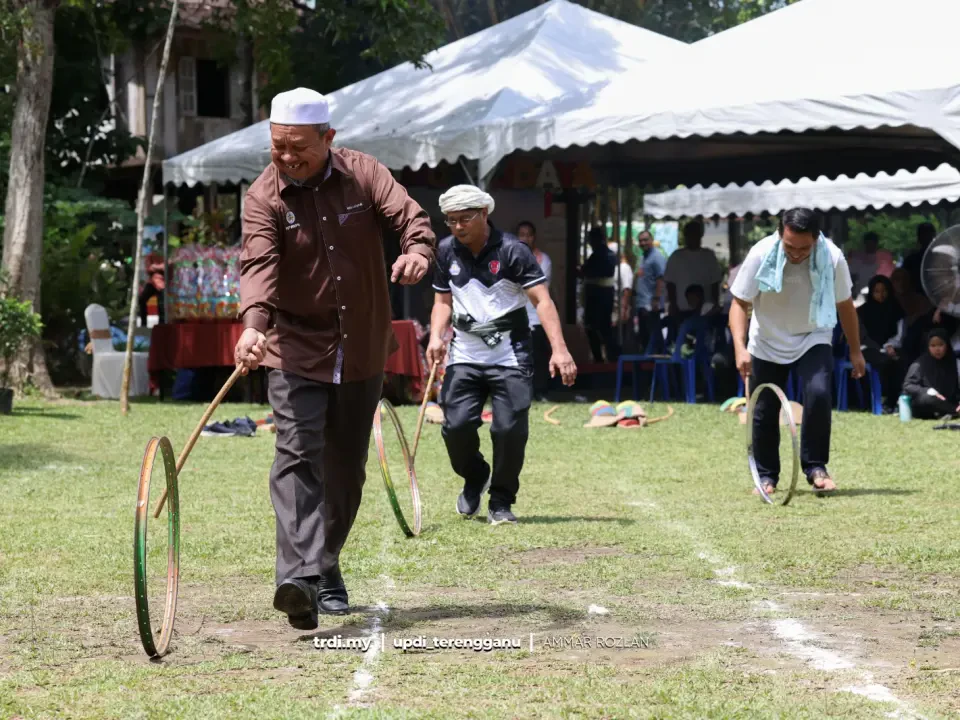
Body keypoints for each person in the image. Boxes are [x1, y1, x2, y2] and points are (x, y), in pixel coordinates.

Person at [234, 87, 436, 629]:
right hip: (294, 347)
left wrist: (417, 251)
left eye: (298, 146)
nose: (287, 158)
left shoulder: (364, 174)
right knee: (296, 455)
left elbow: (409, 218)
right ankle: (299, 578)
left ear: (329, 137)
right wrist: (253, 325)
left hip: (363, 346)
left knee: (345, 470)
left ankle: (324, 567)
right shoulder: (263, 197)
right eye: (278, 147)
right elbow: (258, 264)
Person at [426, 185, 577, 525]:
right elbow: (442, 303)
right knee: (455, 426)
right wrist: (436, 336)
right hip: (464, 355)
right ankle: (476, 475)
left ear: (484, 214)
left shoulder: (513, 251)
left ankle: (501, 500)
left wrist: (560, 350)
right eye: (451, 220)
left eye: (465, 219)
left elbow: (543, 301)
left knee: (510, 430)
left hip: (510, 356)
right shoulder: (446, 251)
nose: (458, 227)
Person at [730, 207, 863, 497]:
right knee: (764, 409)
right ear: (780, 234)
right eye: (790, 246)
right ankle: (766, 476)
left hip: (813, 335)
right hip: (766, 339)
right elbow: (739, 303)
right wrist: (740, 349)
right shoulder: (761, 253)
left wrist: (856, 351)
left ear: (816, 239)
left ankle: (816, 467)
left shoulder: (831, 257)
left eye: (804, 248)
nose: (796, 254)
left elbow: (845, 305)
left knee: (818, 393)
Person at [664, 219, 722, 342]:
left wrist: (715, 304)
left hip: (705, 312)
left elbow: (715, 283)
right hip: (681, 310)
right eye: (689, 234)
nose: (692, 237)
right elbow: (670, 283)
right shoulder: (676, 257)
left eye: (695, 233)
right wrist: (673, 305)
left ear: (700, 235)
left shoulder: (708, 256)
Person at [516, 220, 552, 400]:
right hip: (517, 316)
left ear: (534, 237)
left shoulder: (544, 260)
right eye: (521, 235)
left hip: (537, 317)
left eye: (528, 235)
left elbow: (538, 286)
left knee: (538, 356)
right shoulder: (510, 257)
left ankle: (541, 391)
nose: (525, 238)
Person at [857, 275, 903, 412]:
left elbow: (900, 334)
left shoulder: (896, 310)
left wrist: (890, 345)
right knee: (884, 361)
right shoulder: (863, 311)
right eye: (877, 291)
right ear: (871, 292)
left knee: (901, 361)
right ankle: (879, 401)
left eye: (884, 291)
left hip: (891, 347)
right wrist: (881, 349)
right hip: (867, 348)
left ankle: (896, 400)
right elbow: (862, 336)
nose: (881, 295)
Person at [902, 329, 960, 419]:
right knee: (928, 399)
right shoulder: (920, 364)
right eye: (933, 346)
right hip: (926, 402)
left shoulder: (954, 363)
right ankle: (954, 411)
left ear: (947, 345)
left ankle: (950, 411)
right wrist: (928, 391)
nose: (937, 349)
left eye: (941, 345)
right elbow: (908, 385)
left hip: (948, 400)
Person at [581, 227, 619, 362]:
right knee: (604, 328)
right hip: (603, 295)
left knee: (595, 328)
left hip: (597, 296)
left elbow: (587, 271)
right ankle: (609, 357)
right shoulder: (607, 254)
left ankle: (601, 358)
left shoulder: (599, 254)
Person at [631, 230, 667, 351]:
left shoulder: (656, 257)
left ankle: (659, 366)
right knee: (644, 338)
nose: (643, 243)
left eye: (645, 240)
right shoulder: (642, 257)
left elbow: (661, 279)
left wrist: (656, 299)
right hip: (641, 304)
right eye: (640, 240)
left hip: (651, 305)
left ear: (651, 240)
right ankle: (648, 366)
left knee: (654, 339)